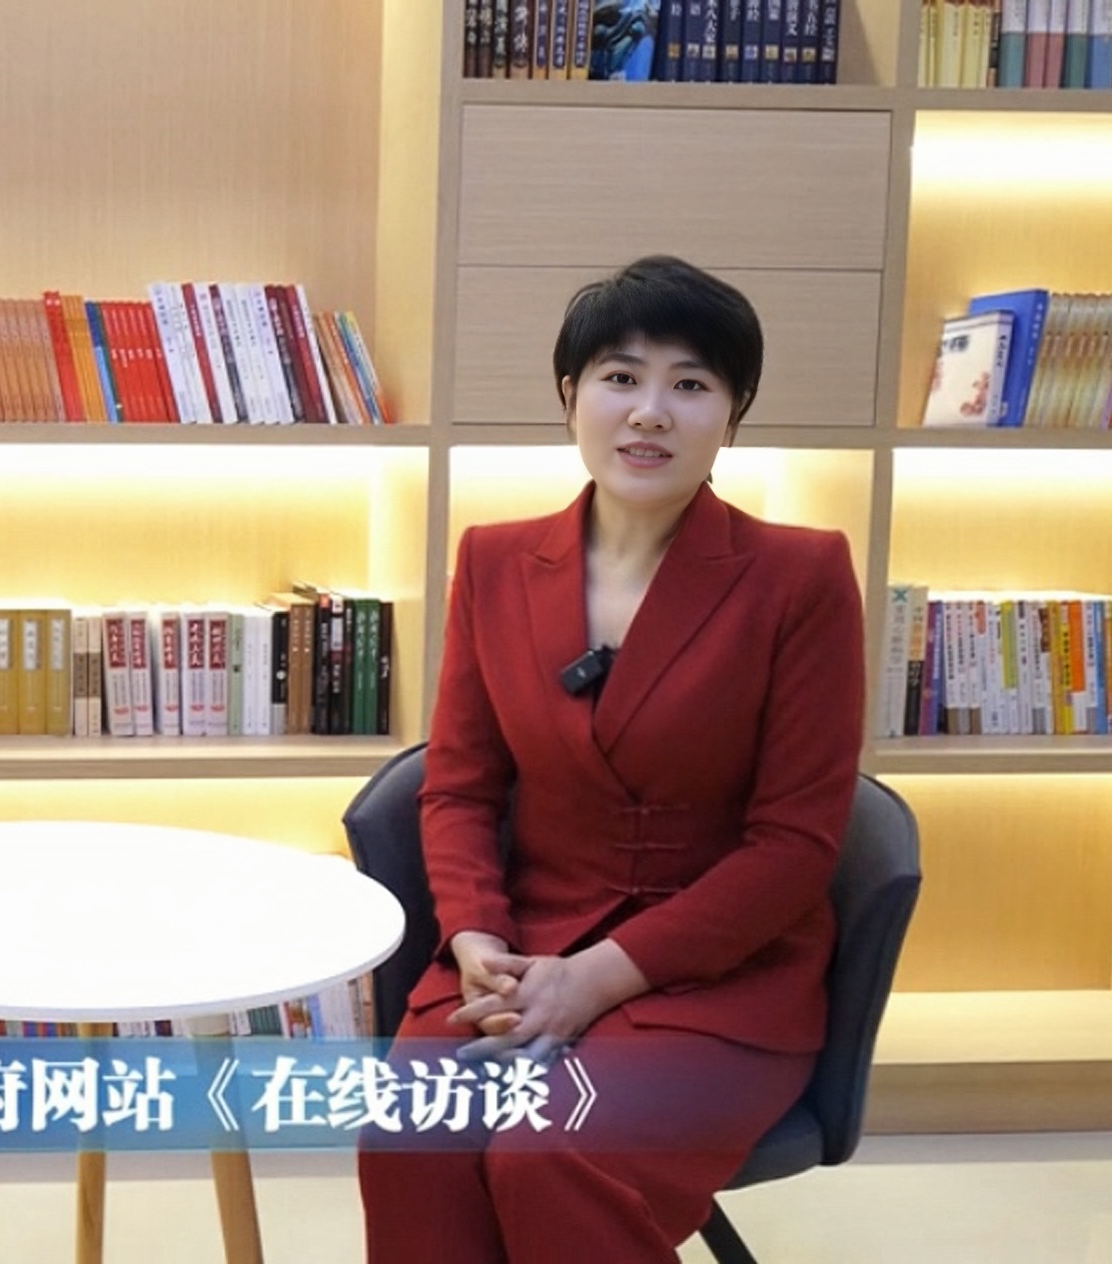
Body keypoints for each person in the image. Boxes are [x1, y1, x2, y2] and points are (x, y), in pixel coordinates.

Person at [356, 256, 864, 1262]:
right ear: (570, 397)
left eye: (691, 383)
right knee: (414, 1135)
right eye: (620, 376)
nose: (650, 412)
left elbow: (795, 846)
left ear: (732, 415)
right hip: (519, 949)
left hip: (718, 973)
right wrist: (475, 936)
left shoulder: (800, 576)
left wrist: (596, 980)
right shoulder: (494, 560)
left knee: (553, 1153)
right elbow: (459, 787)